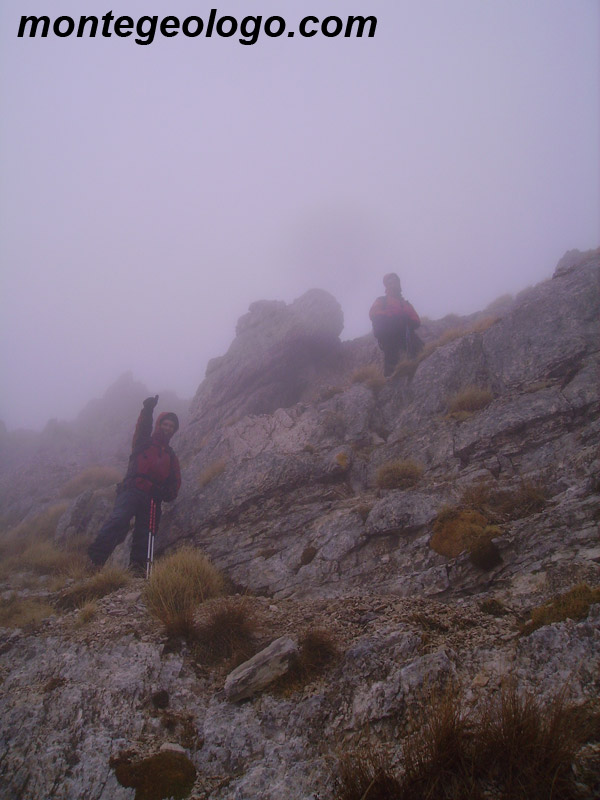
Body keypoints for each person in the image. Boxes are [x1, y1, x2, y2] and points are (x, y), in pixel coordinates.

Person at [88, 395, 181, 574]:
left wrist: (166, 494)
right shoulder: (143, 442)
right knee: (118, 521)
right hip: (132, 490)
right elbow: (143, 427)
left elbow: (175, 481)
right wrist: (147, 410)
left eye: (171, 426)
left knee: (146, 534)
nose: (168, 428)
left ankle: (137, 573)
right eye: (165, 424)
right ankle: (94, 562)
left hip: (153, 499)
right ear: (159, 424)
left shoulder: (171, 456)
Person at [369, 273, 423, 377]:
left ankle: (416, 372)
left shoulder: (405, 304)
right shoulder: (382, 301)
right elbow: (373, 313)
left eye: (395, 281)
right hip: (388, 334)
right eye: (390, 282)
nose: (393, 284)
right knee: (391, 357)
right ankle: (390, 379)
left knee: (418, 349)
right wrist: (394, 318)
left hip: (404, 333)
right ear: (386, 285)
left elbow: (416, 320)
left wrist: (406, 320)